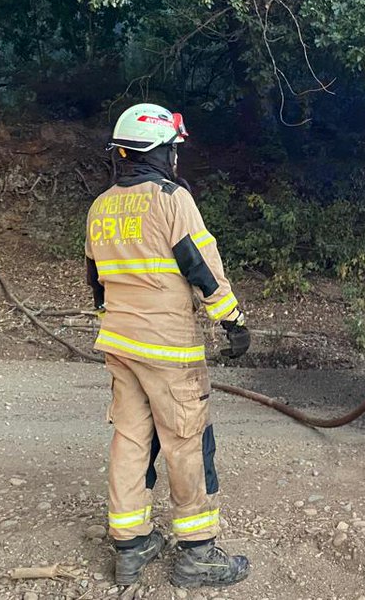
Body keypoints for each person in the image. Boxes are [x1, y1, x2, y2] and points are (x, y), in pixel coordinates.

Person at [84, 103, 251, 588]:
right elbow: (202, 266)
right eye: (173, 149)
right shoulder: (170, 198)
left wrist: (115, 323)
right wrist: (233, 320)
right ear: (160, 150)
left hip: (119, 341)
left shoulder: (101, 205)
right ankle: (198, 552)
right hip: (169, 350)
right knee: (186, 441)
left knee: (131, 439)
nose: (176, 158)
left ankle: (131, 546)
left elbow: (96, 280)